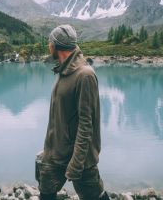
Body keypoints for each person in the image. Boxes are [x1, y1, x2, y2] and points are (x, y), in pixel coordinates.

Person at [36, 24, 110, 200]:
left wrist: (76, 164)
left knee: (94, 196)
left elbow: (86, 125)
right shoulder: (63, 71)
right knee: (46, 193)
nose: (48, 46)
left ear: (56, 46)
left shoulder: (84, 75)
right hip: (55, 153)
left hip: (80, 158)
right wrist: (49, 148)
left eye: (50, 43)